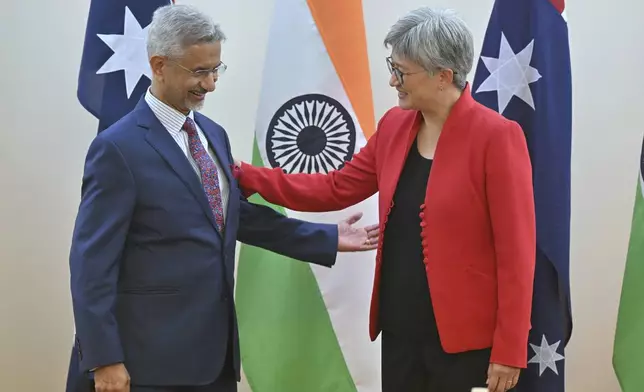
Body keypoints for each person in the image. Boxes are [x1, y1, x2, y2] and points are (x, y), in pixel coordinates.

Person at [67, 4, 379, 392]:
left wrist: (326, 238)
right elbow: (90, 265)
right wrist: (104, 359)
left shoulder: (213, 134)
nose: (211, 84)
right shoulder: (117, 149)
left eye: (216, 69)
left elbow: (233, 217)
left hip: (214, 358)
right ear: (159, 65)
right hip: (146, 363)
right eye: (199, 72)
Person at [232, 7, 536, 392]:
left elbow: (518, 254)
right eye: (392, 66)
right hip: (398, 330)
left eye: (402, 71)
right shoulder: (394, 125)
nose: (393, 80)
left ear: (442, 76)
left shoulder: (497, 138)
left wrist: (510, 348)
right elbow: (336, 187)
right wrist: (248, 175)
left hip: (465, 344)